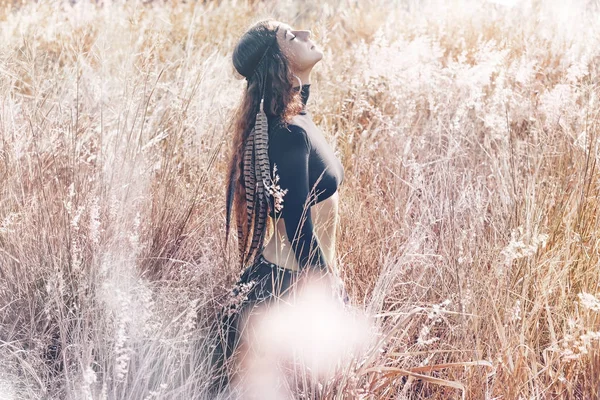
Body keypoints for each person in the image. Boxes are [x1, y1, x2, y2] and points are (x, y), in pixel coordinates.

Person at [206, 19, 350, 396]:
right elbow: (298, 228)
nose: (305, 33)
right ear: (279, 64)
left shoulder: (292, 119)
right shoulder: (288, 134)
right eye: (290, 36)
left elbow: (298, 101)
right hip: (283, 290)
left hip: (293, 279)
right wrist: (329, 293)